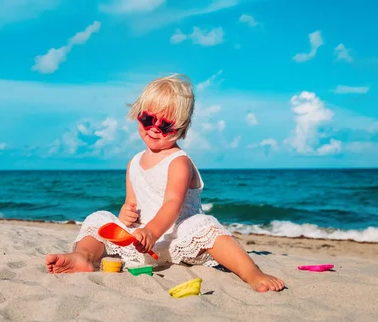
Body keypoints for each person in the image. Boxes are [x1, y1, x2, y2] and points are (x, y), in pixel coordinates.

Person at [45, 74, 285, 292]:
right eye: (148, 119)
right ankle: (84, 257)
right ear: (138, 113)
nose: (155, 129)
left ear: (182, 127)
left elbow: (172, 203)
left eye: (166, 125)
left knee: (205, 225)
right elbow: (131, 204)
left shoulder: (178, 162)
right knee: (98, 219)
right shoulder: (134, 163)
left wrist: (151, 231)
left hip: (177, 239)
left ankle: (251, 272)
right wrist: (126, 215)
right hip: (141, 243)